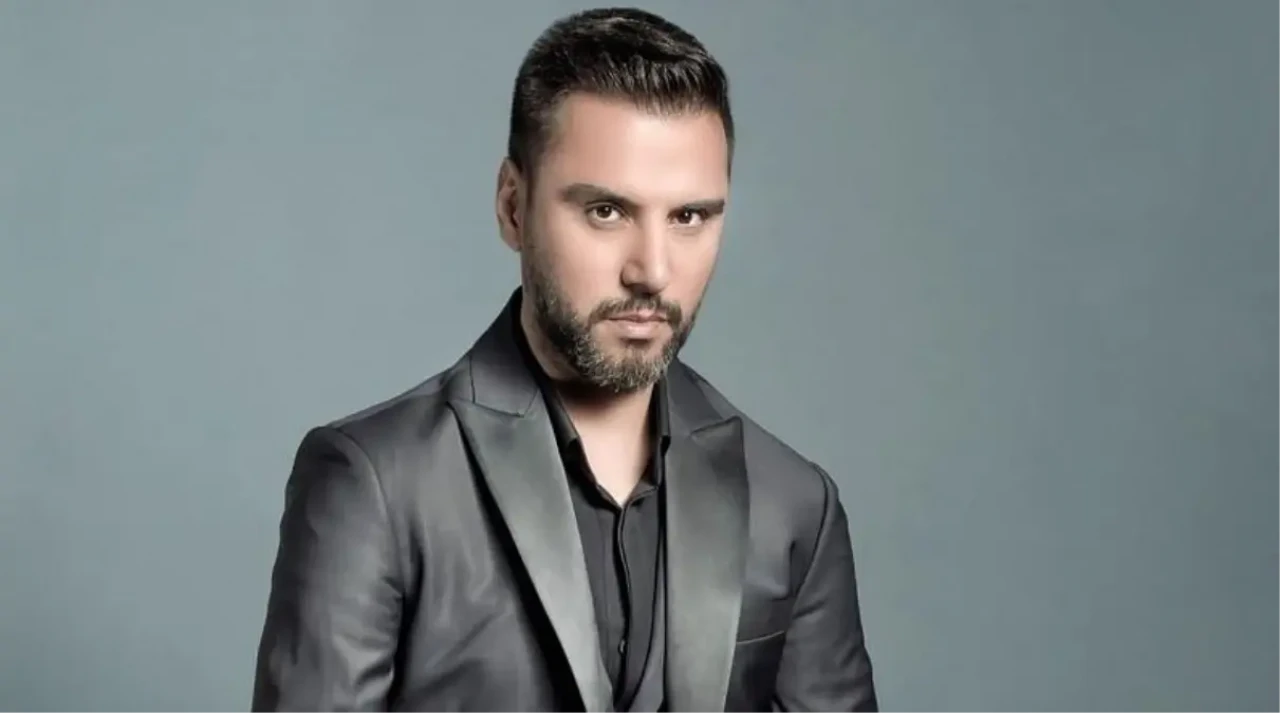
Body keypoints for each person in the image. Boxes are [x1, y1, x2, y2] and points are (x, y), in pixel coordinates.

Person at [250, 7, 877, 712]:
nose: (652, 271)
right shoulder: (374, 484)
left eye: (689, 216)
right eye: (607, 211)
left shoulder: (793, 504)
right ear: (513, 207)